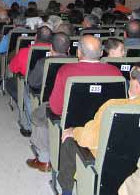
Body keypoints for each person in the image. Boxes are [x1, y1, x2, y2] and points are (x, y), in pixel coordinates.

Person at [52, 64, 140, 193]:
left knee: (70, 141)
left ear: (136, 85)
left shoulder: (114, 106)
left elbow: (88, 139)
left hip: (108, 169)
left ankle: (67, 191)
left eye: (131, 79)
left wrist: (74, 131)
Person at [27, 36, 122, 171]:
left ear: (78, 52)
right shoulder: (116, 72)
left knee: (40, 114)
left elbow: (56, 108)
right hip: (101, 124)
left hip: (72, 123)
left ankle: (44, 159)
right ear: (101, 53)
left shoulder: (66, 71)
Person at [8, 25, 54, 136]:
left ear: (36, 37)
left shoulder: (25, 52)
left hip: (32, 87)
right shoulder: (59, 53)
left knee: (11, 83)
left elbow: (12, 68)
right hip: (52, 88)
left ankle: (28, 124)